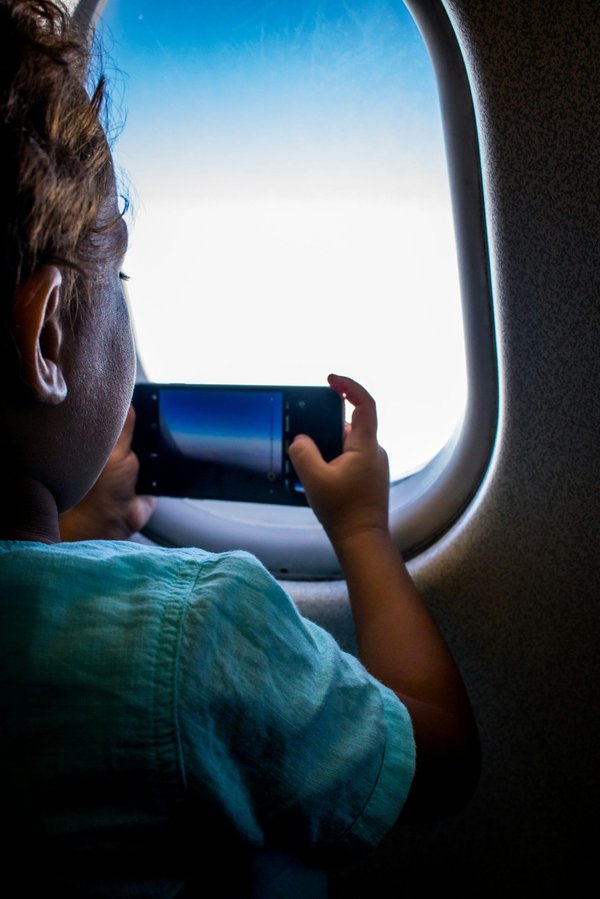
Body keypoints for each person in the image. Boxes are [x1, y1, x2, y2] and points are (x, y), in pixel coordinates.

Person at [0, 1, 479, 896]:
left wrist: (75, 526)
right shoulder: (197, 631)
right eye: (121, 275)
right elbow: (442, 760)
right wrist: (366, 535)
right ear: (47, 345)